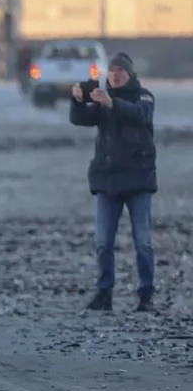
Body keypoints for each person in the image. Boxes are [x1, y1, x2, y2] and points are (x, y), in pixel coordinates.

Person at [70, 52, 157, 313]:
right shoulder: (102, 99)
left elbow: (140, 115)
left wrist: (111, 103)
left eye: (120, 70)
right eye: (112, 70)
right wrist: (77, 101)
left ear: (130, 74)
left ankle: (146, 294)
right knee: (103, 243)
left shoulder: (143, 96)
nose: (115, 74)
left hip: (138, 180)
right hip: (107, 180)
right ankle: (104, 293)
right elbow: (80, 119)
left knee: (143, 242)